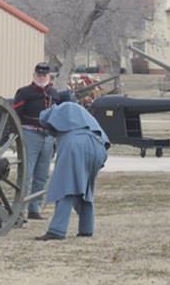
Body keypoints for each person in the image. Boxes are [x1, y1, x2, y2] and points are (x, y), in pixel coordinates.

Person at [34, 101, 109, 241]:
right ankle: (86, 228)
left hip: (76, 144)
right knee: (85, 188)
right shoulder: (81, 113)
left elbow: (47, 121)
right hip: (100, 147)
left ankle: (57, 230)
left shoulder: (62, 109)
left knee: (64, 186)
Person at [12, 62, 61, 220]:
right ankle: (19, 210)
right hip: (30, 134)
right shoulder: (24, 92)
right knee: (26, 173)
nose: (42, 77)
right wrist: (14, 136)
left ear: (49, 76)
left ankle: (34, 208)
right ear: (34, 76)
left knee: (42, 175)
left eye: (44, 75)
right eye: (39, 75)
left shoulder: (54, 94)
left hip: (48, 137)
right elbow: (14, 115)